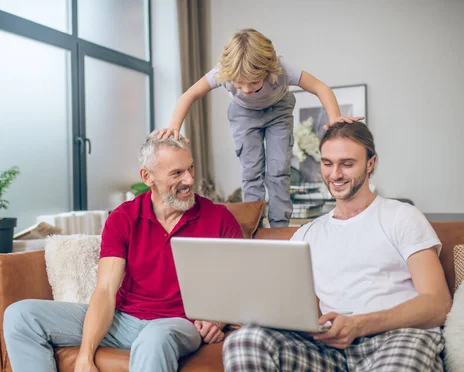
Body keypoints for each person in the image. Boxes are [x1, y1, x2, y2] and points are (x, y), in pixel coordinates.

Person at [222, 121, 454, 372]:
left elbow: (438, 304)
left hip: (398, 337)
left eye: (347, 163)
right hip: (330, 348)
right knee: (244, 342)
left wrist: (359, 324)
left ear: (371, 164)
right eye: (327, 163)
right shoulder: (306, 234)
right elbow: (296, 309)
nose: (335, 174)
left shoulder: (401, 217)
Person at [2, 134, 243, 372]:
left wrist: (218, 318)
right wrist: (85, 358)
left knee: (153, 339)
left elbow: (241, 285)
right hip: (123, 320)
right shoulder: (124, 217)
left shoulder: (219, 218)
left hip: (176, 324)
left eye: (191, 168)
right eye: (177, 173)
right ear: (148, 176)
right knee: (21, 315)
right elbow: (105, 290)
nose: (189, 180)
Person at [154, 28, 362, 227]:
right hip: (244, 115)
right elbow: (190, 94)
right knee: (251, 170)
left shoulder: (280, 69)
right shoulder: (223, 72)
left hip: (278, 112)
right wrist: (174, 126)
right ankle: (251, 225)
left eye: (253, 83)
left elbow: (320, 87)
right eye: (239, 83)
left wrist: (334, 116)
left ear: (267, 70)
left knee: (278, 169)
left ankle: (280, 224)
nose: (245, 89)